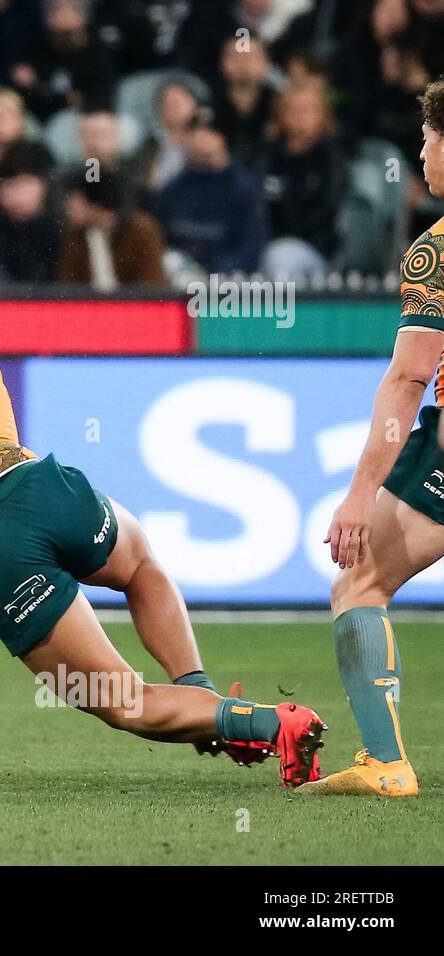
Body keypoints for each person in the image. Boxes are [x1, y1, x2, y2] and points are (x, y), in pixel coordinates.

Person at [0, 252, 326, 788]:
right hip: (47, 486)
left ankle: (270, 722)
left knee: (126, 704)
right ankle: (200, 694)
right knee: (142, 567)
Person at [301, 78, 444, 798]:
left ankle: (386, 765)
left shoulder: (436, 251)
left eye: (428, 137)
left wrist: (359, 497)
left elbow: (409, 378)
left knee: (360, 580)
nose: (420, 152)